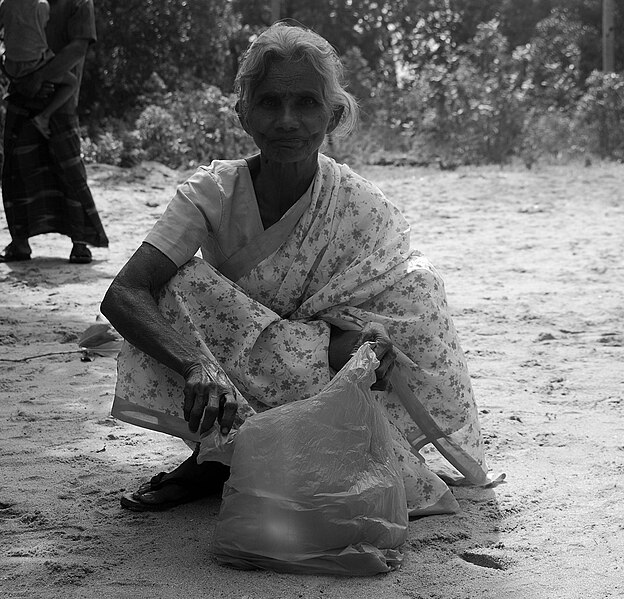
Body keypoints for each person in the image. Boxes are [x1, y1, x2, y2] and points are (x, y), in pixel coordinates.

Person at [101, 22, 491, 516]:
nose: (287, 120)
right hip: (230, 367)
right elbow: (125, 293)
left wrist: (367, 343)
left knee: (401, 308)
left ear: (333, 114)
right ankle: (214, 455)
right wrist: (196, 365)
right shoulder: (211, 193)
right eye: (269, 102)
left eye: (306, 103)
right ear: (244, 113)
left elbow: (410, 302)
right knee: (176, 285)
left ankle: (266, 457)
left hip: (321, 377)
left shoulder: (361, 207)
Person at [0, 0, 108, 264]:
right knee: (16, 169)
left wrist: (38, 77)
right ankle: (20, 242)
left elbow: (78, 48)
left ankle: (79, 243)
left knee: (69, 168)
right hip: (22, 93)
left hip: (59, 102)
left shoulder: (79, 3)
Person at [0, 0, 78, 139]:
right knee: (72, 82)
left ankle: (18, 87)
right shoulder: (42, 5)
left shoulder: (6, 4)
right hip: (35, 64)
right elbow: (43, 27)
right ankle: (44, 116)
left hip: (11, 66)